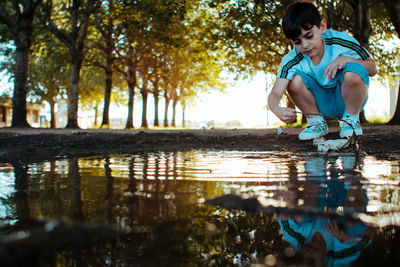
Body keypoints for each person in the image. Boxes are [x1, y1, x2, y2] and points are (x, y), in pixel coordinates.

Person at [267, 1, 377, 140]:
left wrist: (347, 60)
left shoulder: (340, 41)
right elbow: (275, 93)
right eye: (297, 42)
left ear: (322, 26)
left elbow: (372, 68)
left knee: (353, 70)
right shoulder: (292, 60)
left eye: (309, 36)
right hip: (320, 106)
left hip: (349, 100)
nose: (305, 45)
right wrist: (276, 109)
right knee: (294, 80)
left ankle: (351, 120)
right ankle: (316, 123)